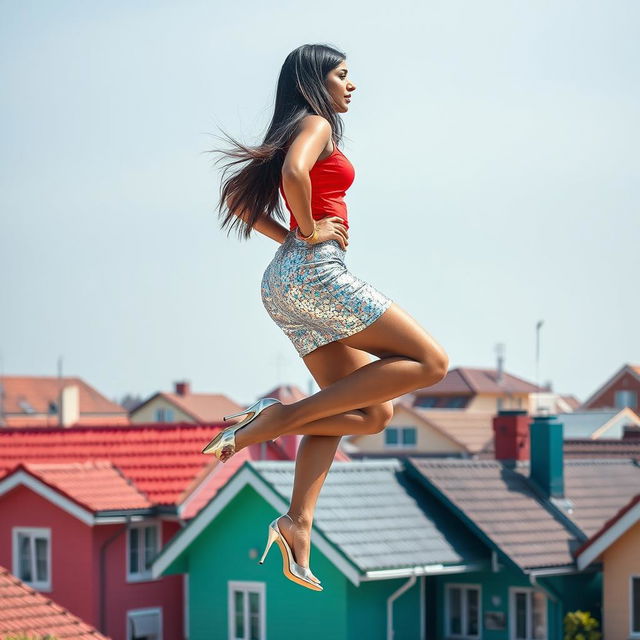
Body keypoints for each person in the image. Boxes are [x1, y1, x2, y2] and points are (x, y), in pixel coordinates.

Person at [203, 43, 449, 591]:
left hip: (284, 280)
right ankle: (274, 421)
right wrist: (310, 230)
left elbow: (239, 199)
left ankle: (296, 521)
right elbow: (293, 172)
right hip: (316, 271)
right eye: (342, 75)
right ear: (316, 82)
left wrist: (291, 233)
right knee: (431, 362)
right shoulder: (315, 123)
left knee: (370, 413)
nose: (351, 85)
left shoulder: (296, 128)